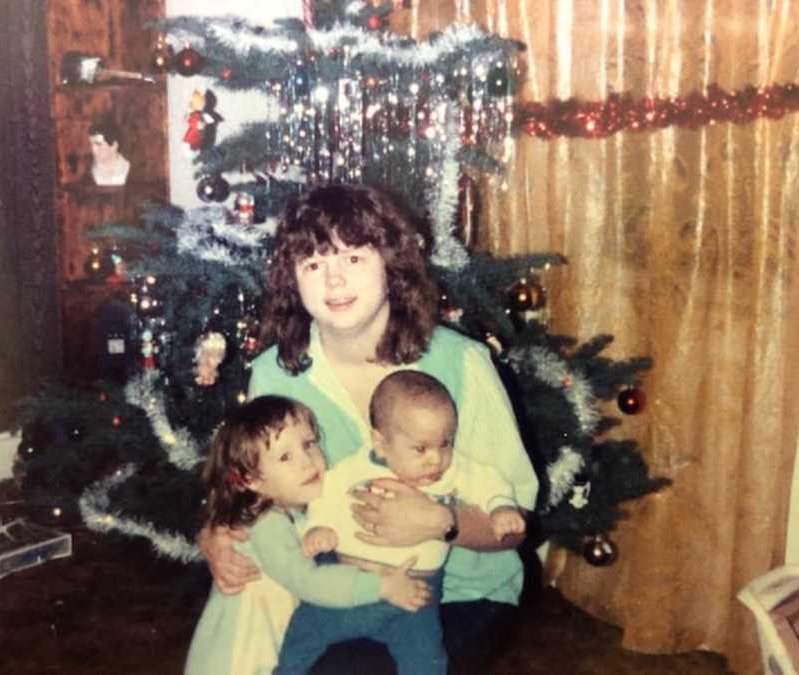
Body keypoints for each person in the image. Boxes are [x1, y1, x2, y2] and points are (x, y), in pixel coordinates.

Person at [200, 183, 539, 673]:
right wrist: (214, 532)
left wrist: (440, 522)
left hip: (458, 590)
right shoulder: (275, 373)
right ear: (292, 280)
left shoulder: (463, 363)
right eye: (314, 265)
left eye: (354, 259)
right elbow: (254, 485)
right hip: (332, 579)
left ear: (390, 264)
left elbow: (515, 527)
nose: (334, 282)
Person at [274, 370, 526, 675]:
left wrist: (501, 508)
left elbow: (489, 483)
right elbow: (324, 496)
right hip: (349, 585)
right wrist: (317, 529)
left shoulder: (454, 471)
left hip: (414, 597)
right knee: (304, 633)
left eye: (445, 443)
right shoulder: (355, 468)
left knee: (426, 659)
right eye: (420, 448)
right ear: (381, 443)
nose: (436, 459)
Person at [185, 395, 431, 675]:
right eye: (285, 457)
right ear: (251, 480)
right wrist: (381, 586)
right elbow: (307, 582)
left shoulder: (294, 513)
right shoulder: (266, 524)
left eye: (309, 444)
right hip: (238, 663)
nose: (307, 462)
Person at [88, 118, 130, 186]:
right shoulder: (88, 174)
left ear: (114, 145)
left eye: (98, 144)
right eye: (91, 144)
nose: (93, 149)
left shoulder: (129, 169)